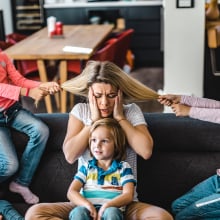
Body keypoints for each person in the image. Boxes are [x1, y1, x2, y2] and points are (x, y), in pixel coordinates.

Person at [25, 60, 173, 220]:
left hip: (122, 205)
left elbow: (145, 151)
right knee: (34, 214)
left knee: (162, 217)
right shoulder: (81, 111)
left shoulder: (130, 112)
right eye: (97, 96)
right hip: (83, 204)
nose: (104, 103)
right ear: (89, 93)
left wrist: (120, 118)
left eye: (111, 96)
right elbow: (70, 155)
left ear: (120, 92)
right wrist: (92, 121)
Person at [0, 50, 60, 216]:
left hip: (11, 110)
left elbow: (19, 80)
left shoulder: (2, 56)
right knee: (10, 165)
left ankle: (21, 182)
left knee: (41, 130)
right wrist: (27, 92)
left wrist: (42, 85)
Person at [158, 93, 220, 219]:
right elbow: (217, 106)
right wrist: (182, 99)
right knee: (177, 206)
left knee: (183, 217)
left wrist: (190, 110)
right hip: (218, 180)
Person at [68, 118, 136, 220]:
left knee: (112, 212)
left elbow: (128, 195)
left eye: (104, 141)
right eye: (94, 140)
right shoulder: (86, 167)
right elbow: (71, 192)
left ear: (116, 144)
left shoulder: (123, 167)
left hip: (111, 210)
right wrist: (88, 205)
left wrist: (107, 205)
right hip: (88, 211)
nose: (97, 145)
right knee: (78, 212)